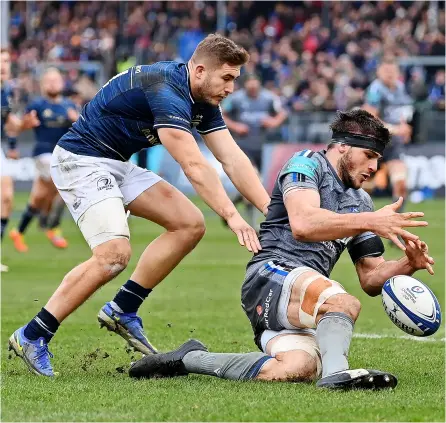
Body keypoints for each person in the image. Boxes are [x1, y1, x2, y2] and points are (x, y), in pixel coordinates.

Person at [8, 34, 271, 377]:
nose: (232, 88)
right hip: (81, 159)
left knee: (189, 223)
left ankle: (123, 308)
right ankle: (32, 334)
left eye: (235, 79)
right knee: (113, 254)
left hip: (114, 161)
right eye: (227, 78)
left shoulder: (201, 97)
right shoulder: (165, 88)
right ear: (201, 70)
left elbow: (232, 158)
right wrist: (233, 216)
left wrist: (272, 210)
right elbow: (194, 166)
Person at [128, 110, 433, 391]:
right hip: (269, 274)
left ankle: (189, 359)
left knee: (298, 368)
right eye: (368, 156)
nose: (373, 167)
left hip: (302, 297)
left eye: (378, 159)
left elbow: (371, 278)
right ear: (342, 146)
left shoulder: (361, 202)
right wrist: (370, 221)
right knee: (342, 302)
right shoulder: (305, 165)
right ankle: (337, 376)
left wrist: (408, 263)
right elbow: (303, 223)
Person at [9, 68, 79, 252]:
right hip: (44, 154)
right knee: (65, 183)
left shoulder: (68, 106)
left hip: (64, 154)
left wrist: (76, 119)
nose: (53, 84)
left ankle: (18, 231)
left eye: (56, 80)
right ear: (42, 85)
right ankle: (52, 226)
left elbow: (84, 128)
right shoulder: (37, 105)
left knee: (38, 197)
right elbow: (19, 127)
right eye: (49, 81)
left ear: (62, 83)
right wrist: (25, 124)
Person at [221, 73, 288, 229]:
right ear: (246, 86)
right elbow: (222, 114)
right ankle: (254, 225)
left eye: (255, 87)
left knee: (252, 185)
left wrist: (273, 122)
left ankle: (235, 202)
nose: (252, 90)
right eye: (250, 87)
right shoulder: (236, 99)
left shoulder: (269, 98)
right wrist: (236, 126)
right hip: (243, 146)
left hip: (263, 148)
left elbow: (282, 113)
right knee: (254, 181)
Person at [363, 57, 414, 231]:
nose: (390, 74)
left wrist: (406, 128)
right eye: (386, 71)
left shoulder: (401, 89)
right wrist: (395, 129)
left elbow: (404, 114)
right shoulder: (376, 89)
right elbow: (370, 118)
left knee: (401, 184)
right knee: (360, 188)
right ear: (379, 72)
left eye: (393, 71)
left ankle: (395, 226)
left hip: (393, 146)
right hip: (374, 145)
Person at [1, 48, 39, 272]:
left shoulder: (5, 91)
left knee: (6, 198)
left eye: (6, 61)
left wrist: (23, 124)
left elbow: (8, 124)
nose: (3, 66)